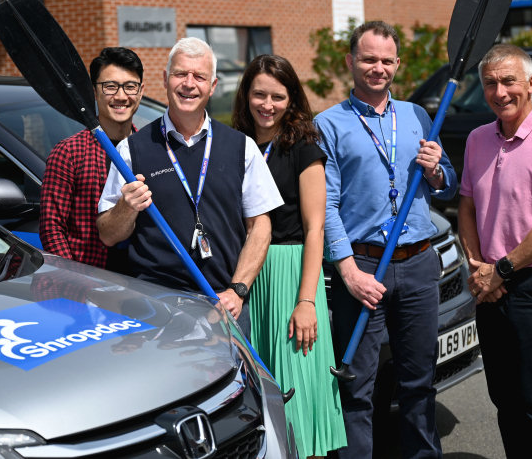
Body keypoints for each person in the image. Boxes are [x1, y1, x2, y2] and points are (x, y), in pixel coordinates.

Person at [314, 20, 456, 459]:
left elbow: (449, 185)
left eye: (387, 60)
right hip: (364, 268)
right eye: (369, 59)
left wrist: (436, 170)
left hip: (418, 265)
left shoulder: (416, 115)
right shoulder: (329, 124)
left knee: (418, 384)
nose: (378, 68)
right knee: (357, 387)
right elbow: (327, 207)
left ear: (398, 63)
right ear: (351, 61)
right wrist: (348, 271)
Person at [96, 37, 282, 334]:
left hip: (222, 306)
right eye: (181, 74)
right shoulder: (133, 148)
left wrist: (238, 290)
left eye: (199, 76)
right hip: (155, 307)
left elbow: (260, 226)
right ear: (166, 79)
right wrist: (126, 208)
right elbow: (107, 234)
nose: (189, 84)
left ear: (213, 85)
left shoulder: (241, 147)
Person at [457, 43, 532, 458]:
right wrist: (478, 268)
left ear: (531, 84)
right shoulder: (477, 139)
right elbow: (467, 207)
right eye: (490, 83)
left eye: (509, 81)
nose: (499, 91)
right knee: (504, 398)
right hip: (490, 282)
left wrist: (501, 270)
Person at [231, 54, 346, 458]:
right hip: (248, 277)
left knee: (297, 394)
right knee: (261, 402)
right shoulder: (235, 145)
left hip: (291, 274)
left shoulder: (303, 147)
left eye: (277, 96)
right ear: (245, 95)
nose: (267, 104)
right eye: (259, 94)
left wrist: (306, 301)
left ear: (291, 99)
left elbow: (317, 229)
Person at [40, 47, 144, 273]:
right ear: (94, 92)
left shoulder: (151, 150)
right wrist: (76, 282)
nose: (121, 96)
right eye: (110, 87)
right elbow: (52, 229)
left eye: (130, 86)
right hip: (90, 283)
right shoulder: (69, 152)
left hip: (145, 285)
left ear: (141, 92)